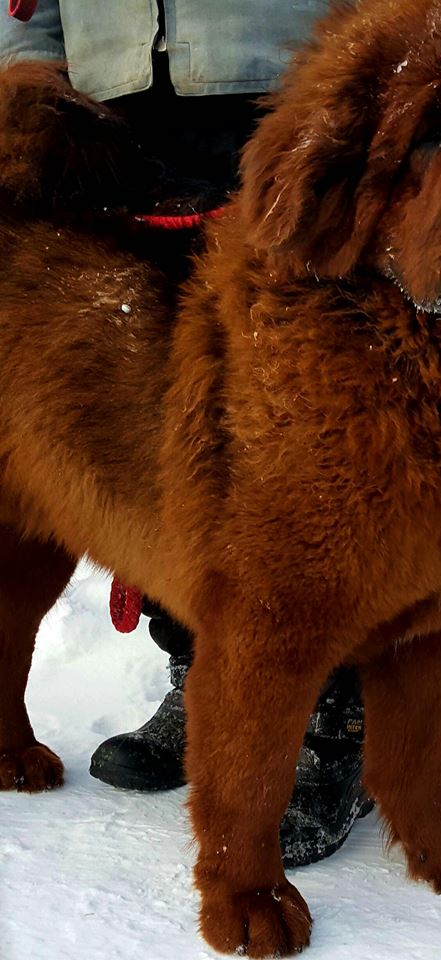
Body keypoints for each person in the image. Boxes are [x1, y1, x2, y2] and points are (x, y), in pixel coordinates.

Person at [0, 0, 370, 869]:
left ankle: (332, 721)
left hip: (277, 92)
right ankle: (197, 674)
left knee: (302, 442)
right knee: (157, 440)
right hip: (111, 108)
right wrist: (33, 76)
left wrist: (358, 81)